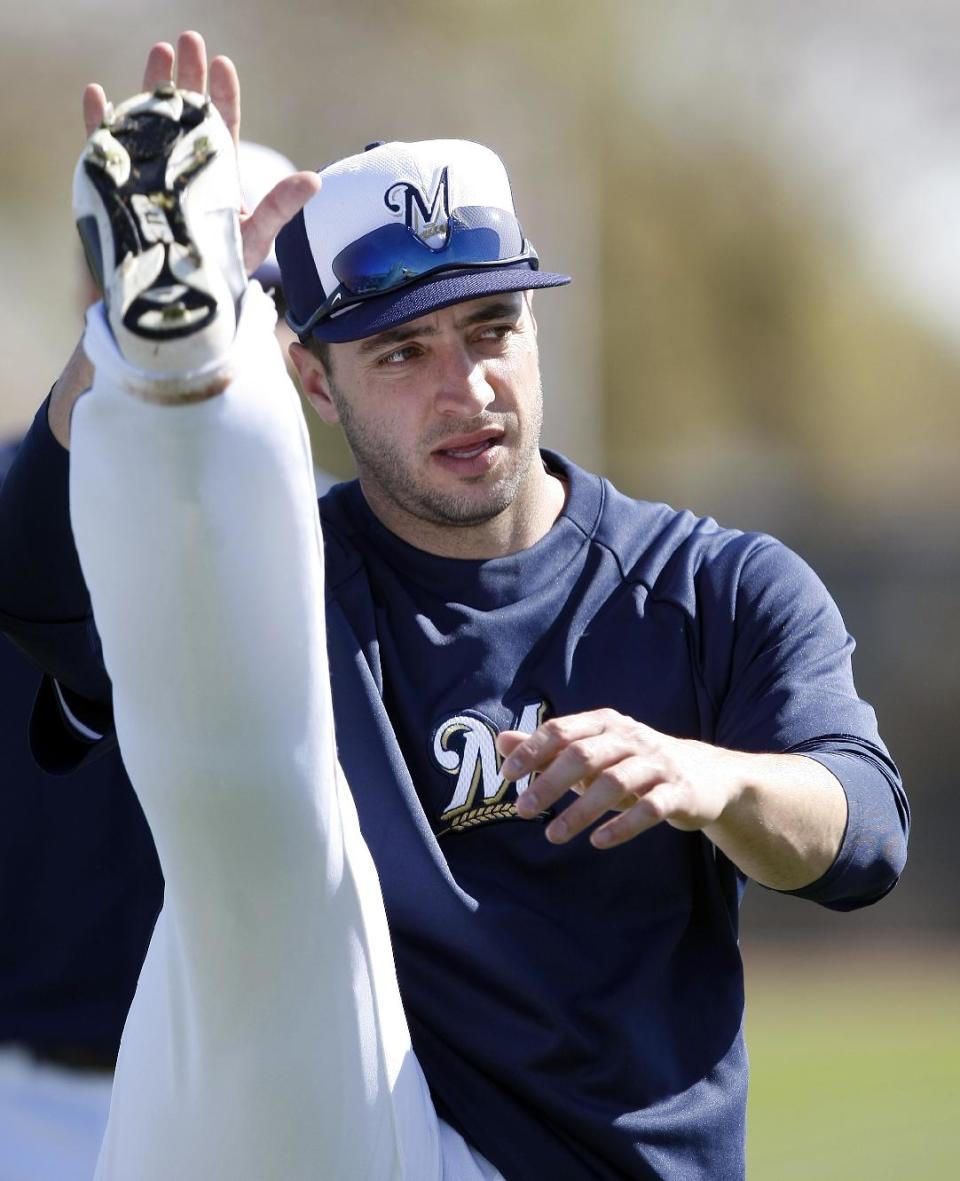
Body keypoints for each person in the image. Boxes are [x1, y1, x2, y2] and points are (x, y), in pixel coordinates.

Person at [0, 31, 908, 1181]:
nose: (466, 384)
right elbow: (39, 588)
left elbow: (864, 830)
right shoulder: (288, 574)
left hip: (616, 1163)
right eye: (402, 351)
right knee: (259, 829)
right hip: (372, 1134)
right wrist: (112, 353)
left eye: (492, 330)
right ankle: (173, 360)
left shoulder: (711, 583)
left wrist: (714, 776)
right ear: (315, 381)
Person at [0, 129, 332, 1181]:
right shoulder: (15, 517)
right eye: (163, 266)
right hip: (33, 1102)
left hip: (275, 1105)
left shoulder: (354, 543)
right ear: (94, 289)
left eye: (238, 276)